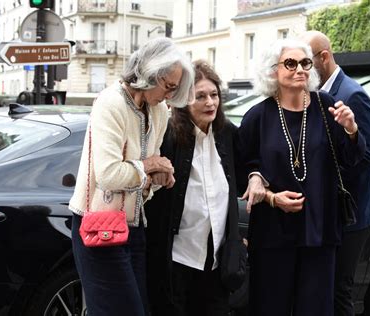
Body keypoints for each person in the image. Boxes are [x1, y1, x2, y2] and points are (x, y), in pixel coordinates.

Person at [238, 38, 365, 316]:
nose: (300, 70)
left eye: (305, 63)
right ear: (273, 71)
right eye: (291, 63)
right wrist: (270, 196)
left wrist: (351, 130)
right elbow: (241, 169)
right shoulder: (257, 117)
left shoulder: (326, 105)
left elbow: (352, 160)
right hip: (272, 233)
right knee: (271, 307)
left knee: (316, 308)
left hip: (319, 230)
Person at [68, 38, 195, 316]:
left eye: (175, 89)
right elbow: (109, 175)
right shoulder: (110, 102)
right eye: (169, 87)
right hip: (97, 227)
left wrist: (159, 178)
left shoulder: (159, 111)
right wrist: (148, 165)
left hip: (134, 227)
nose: (170, 96)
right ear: (150, 73)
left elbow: (143, 178)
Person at [145, 60, 256, 316]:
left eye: (214, 95)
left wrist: (256, 176)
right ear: (184, 101)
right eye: (201, 96)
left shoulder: (227, 133)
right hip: (176, 262)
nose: (210, 103)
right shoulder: (169, 136)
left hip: (217, 264)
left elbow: (248, 166)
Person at [301, 30, 370, 316]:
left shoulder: (352, 94)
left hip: (350, 216)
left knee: (339, 291)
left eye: (308, 62)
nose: (303, 69)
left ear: (324, 57)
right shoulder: (315, 94)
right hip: (325, 213)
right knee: (323, 288)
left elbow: (366, 158)